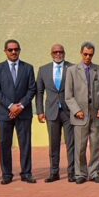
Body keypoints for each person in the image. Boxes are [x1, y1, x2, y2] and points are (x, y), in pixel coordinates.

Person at [0, 39, 37, 185]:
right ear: (5, 51)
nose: (13, 52)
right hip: (5, 112)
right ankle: (7, 174)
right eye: (10, 50)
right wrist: (11, 106)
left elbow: (32, 89)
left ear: (19, 50)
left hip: (24, 112)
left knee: (25, 144)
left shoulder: (28, 68)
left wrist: (21, 106)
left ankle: (26, 173)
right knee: (5, 144)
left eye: (16, 49)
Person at [65, 42, 99, 184]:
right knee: (80, 146)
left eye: (90, 54)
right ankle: (80, 173)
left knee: (95, 145)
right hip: (80, 114)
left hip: (95, 113)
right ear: (81, 53)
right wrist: (76, 111)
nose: (88, 57)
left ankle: (94, 172)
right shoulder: (72, 70)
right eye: (85, 54)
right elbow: (68, 96)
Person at [36, 44, 74, 183]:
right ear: (51, 53)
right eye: (55, 52)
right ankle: (54, 172)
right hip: (51, 112)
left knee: (71, 143)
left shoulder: (72, 68)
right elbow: (39, 92)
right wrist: (40, 111)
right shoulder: (43, 70)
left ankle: (72, 172)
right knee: (54, 144)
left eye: (61, 51)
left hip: (69, 112)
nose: (58, 54)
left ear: (64, 53)